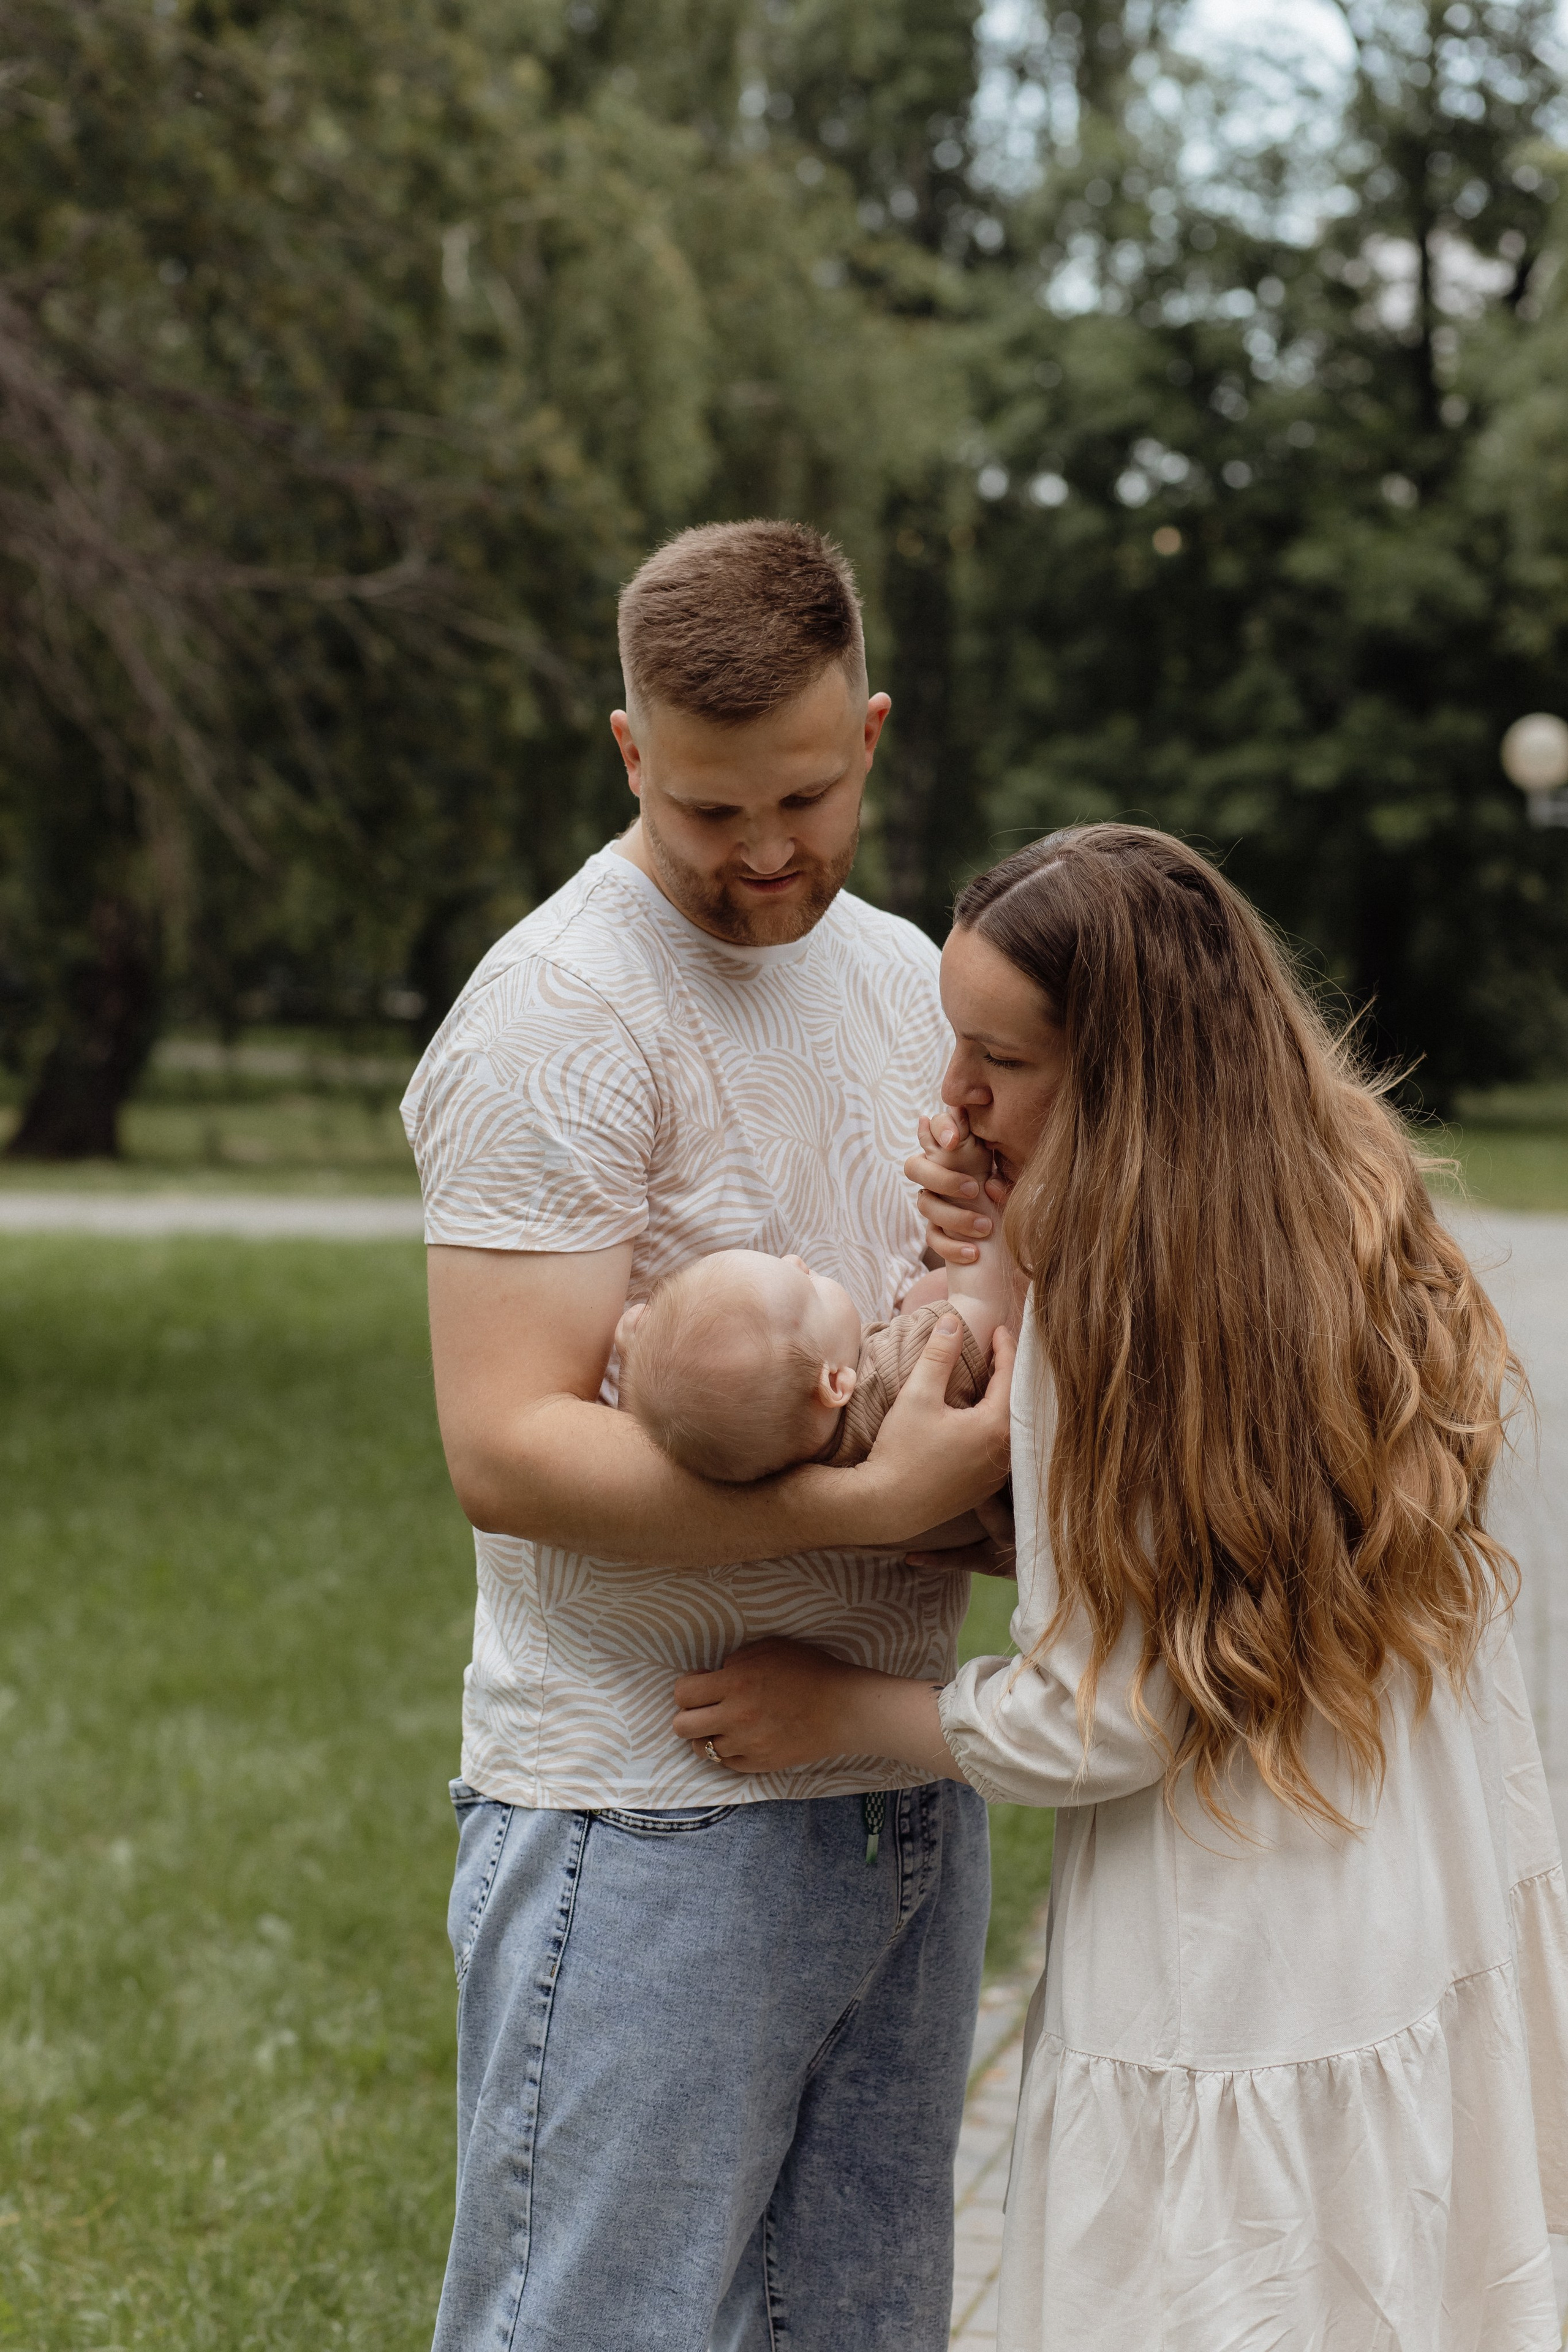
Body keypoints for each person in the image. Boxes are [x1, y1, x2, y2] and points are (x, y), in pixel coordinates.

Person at [674, 823, 1568, 2352]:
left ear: (1126, 1080)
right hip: (1409, 1904)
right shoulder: (1344, 1199)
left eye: (997, 1060)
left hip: (1225, 1966)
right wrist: (1015, 1251)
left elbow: (1097, 1718)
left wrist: (835, 1706)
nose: (951, 1095)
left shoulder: (1115, 1326)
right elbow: (1223, 1550)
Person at [400, 518, 1013, 2352]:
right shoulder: (555, 1013)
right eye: (708, 813)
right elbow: (505, 1444)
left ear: (872, 734)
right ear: (629, 756)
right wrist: (880, 1489)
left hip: (897, 1788)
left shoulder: (914, 975)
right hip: (644, 1817)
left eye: (804, 801)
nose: (762, 857)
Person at [615, 1147, 1009, 1482]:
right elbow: (980, 1305)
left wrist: (641, 1359)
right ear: (836, 1383)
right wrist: (969, 1185)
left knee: (926, 1292)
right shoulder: (895, 1378)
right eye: (808, 1288)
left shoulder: (768, 1444)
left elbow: (675, 1416)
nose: (797, 1261)